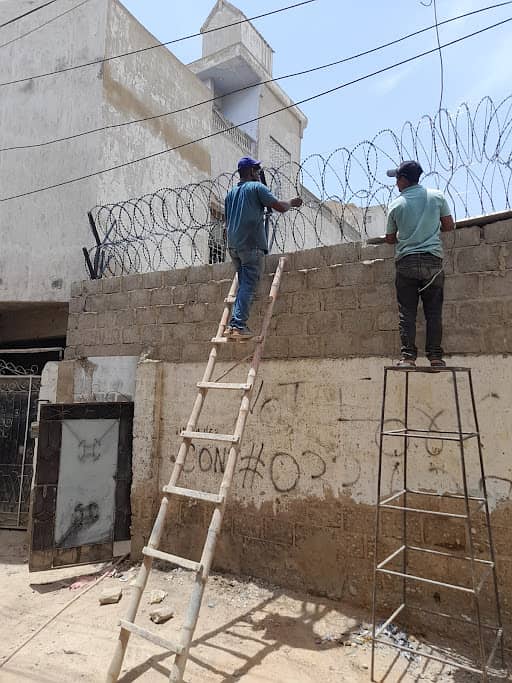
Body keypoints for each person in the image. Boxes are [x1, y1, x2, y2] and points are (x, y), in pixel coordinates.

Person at [223, 156, 303, 339]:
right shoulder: (257, 187)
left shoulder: (230, 194)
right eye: (257, 171)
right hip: (251, 244)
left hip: (233, 245)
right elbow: (280, 207)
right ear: (251, 171)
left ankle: (233, 324)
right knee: (249, 284)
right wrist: (292, 202)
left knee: (243, 285)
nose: (259, 174)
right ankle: (237, 325)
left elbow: (227, 222)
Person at [385, 160, 454, 368]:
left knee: (407, 312)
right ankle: (435, 357)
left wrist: (406, 234)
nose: (396, 183)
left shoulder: (396, 204)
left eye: (397, 179)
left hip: (406, 262)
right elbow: (449, 225)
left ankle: (408, 358)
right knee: (433, 312)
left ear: (404, 180)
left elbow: (389, 237)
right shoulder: (437, 196)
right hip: (433, 261)